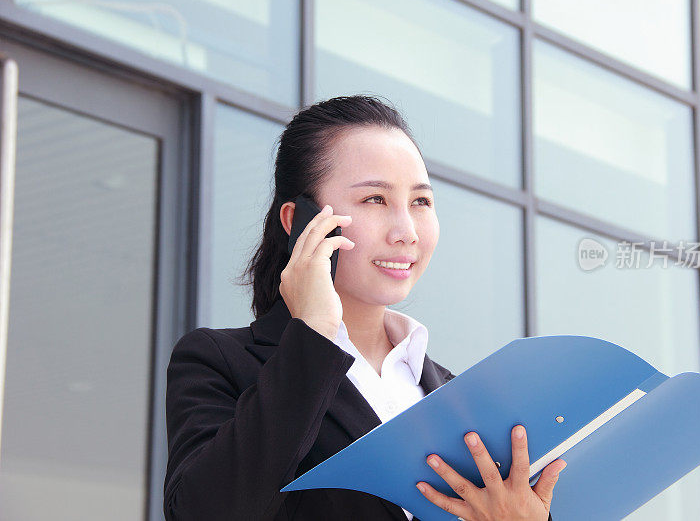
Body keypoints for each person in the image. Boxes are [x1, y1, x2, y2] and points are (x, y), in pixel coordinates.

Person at [163, 95, 566, 520]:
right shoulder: (222, 363)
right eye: (374, 199)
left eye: (421, 202)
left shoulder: (461, 396)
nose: (406, 232)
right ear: (298, 220)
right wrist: (312, 334)